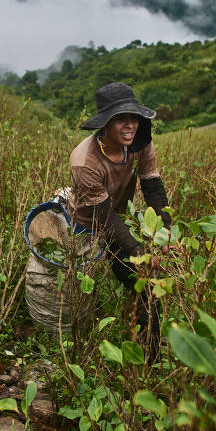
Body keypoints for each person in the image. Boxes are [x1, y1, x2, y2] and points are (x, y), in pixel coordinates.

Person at [67, 82, 172, 361]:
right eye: (121, 120)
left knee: (147, 282)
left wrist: (166, 234)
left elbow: (152, 186)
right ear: (106, 125)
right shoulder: (84, 161)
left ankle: (151, 354)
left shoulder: (140, 142)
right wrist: (138, 251)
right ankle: (76, 346)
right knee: (78, 290)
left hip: (120, 216)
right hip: (88, 222)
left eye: (133, 118)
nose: (130, 126)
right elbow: (103, 216)